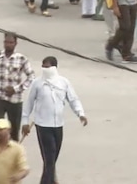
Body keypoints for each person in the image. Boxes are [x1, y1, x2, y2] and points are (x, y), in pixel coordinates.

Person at [21, 56, 87, 184]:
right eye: (43, 66)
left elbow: (73, 100)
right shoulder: (37, 83)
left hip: (58, 126)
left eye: (47, 67)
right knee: (50, 157)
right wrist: (25, 122)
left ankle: (49, 180)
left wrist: (80, 114)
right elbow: (29, 103)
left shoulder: (63, 82)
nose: (44, 69)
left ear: (54, 67)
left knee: (52, 159)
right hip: (43, 126)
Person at [0, 33, 35, 142]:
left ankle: (12, 153)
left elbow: (31, 77)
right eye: (6, 42)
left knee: (14, 130)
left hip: (15, 100)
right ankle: (0, 150)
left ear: (15, 44)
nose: (8, 45)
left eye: (11, 42)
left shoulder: (21, 59)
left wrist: (16, 89)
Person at [0, 118, 29, 184]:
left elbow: (25, 170)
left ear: (9, 130)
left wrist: (18, 176)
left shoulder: (17, 149)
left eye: (1, 130)